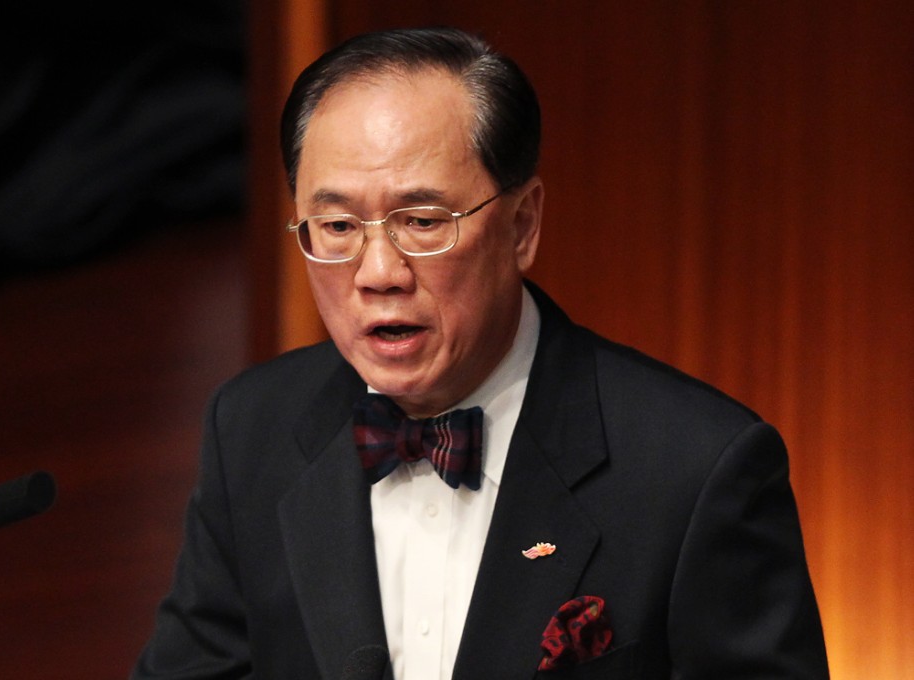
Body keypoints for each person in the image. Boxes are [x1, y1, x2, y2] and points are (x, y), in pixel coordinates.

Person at [133, 27, 829, 679]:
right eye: (338, 225)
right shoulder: (251, 429)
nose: (378, 272)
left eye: (422, 222)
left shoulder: (695, 469)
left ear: (522, 226)